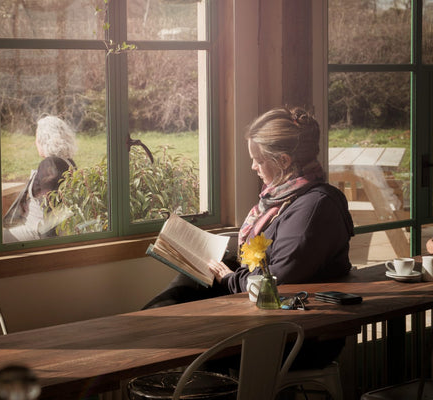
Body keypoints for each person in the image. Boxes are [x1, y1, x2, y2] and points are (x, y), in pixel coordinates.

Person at [143, 106, 354, 370]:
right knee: (187, 286)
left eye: (258, 159)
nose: (253, 166)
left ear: (284, 161)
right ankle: (144, 327)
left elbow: (279, 279)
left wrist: (230, 278)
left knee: (192, 337)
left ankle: (142, 335)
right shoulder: (285, 197)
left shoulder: (314, 207)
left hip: (301, 337)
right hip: (270, 319)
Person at [2, 115, 77, 243]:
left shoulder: (50, 165)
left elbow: (52, 211)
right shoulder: (68, 163)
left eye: (36, 138)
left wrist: (47, 246)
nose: (35, 142)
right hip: (48, 228)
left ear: (43, 140)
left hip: (37, 231)